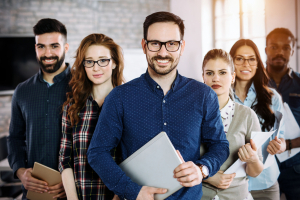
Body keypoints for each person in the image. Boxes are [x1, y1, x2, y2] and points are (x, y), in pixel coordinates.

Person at [87, 11, 230, 200]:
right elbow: (97, 152)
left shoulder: (203, 95)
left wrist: (202, 169)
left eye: (171, 44)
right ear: (144, 46)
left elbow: (219, 145)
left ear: (182, 46)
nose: (163, 52)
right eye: (155, 44)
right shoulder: (119, 97)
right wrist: (132, 190)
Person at [7, 18, 70, 199]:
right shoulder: (22, 91)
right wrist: (20, 172)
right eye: (41, 46)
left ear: (65, 48)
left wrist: (74, 182)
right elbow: (15, 138)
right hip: (34, 194)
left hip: (74, 193)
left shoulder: (82, 87)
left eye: (54, 46)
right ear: (35, 48)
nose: (47, 53)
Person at [58, 33, 124, 200]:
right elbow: (65, 160)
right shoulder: (72, 108)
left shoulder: (127, 106)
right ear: (83, 65)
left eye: (103, 60)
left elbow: (131, 160)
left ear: (114, 62)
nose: (96, 68)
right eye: (89, 61)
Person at [201, 49, 263, 200]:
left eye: (222, 72)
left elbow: (255, 171)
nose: (216, 78)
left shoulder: (248, 116)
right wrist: (207, 175)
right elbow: (180, 160)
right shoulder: (191, 114)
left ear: (233, 77)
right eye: (209, 73)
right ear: (203, 77)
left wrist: (253, 159)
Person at [229, 39, 286, 200]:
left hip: (265, 184)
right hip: (231, 183)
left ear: (257, 63)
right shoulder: (221, 98)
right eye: (239, 58)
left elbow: (281, 136)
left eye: (251, 59)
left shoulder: (273, 98)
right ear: (231, 62)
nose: (245, 64)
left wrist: (279, 145)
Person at [266, 28, 300, 200]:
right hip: (263, 167)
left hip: (297, 168)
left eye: (286, 47)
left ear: (293, 50)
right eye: (274, 47)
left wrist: (288, 144)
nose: (280, 52)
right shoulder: (254, 84)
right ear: (265, 49)